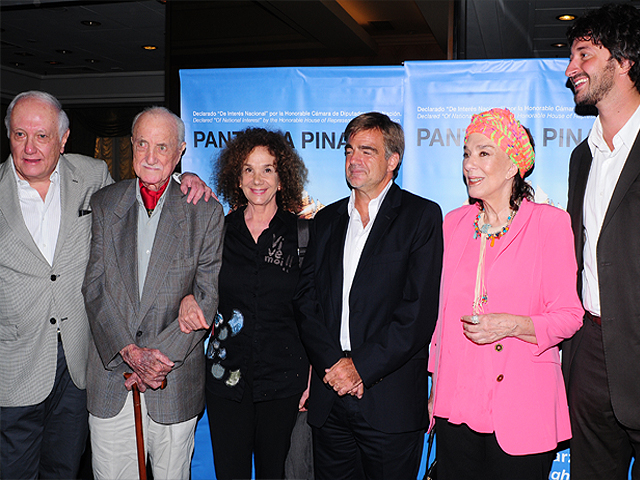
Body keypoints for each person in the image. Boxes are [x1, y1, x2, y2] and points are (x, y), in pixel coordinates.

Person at [0, 91, 211, 479]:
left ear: (63, 139)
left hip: (78, 370)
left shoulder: (92, 177)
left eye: (42, 136)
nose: (30, 147)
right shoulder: (9, 190)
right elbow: (95, 284)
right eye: (20, 135)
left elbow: (149, 187)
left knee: (64, 468)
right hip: (16, 368)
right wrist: (129, 351)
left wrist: (184, 177)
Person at [427, 108, 584, 480]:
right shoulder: (454, 224)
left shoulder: (549, 223)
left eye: (483, 153)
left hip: (522, 408)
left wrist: (513, 325)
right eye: (467, 153)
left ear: (514, 165)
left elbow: (569, 316)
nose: (470, 164)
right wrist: (435, 387)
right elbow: (440, 319)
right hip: (456, 408)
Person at [293, 112, 443, 479]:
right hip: (331, 395)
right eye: (349, 150)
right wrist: (334, 366)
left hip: (389, 400)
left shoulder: (420, 216)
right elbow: (305, 301)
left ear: (393, 161)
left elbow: (417, 314)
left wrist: (359, 367)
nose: (354, 159)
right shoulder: (326, 220)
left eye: (367, 151)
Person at [82, 106, 223, 480]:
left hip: (173, 381)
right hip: (112, 378)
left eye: (162, 147)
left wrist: (156, 360)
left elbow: (207, 296)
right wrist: (130, 351)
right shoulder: (104, 203)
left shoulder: (205, 212)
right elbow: (94, 288)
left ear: (180, 152)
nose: (150, 156)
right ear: (131, 144)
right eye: (142, 144)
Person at [178, 127, 311, 480]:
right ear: (237, 179)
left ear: (282, 179)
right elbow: (189, 280)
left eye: (268, 169)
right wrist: (187, 296)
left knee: (275, 474)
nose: (257, 179)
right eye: (248, 169)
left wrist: (314, 373)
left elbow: (315, 312)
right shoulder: (218, 231)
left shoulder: (303, 235)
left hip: (284, 380)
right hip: (225, 379)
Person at [562, 4, 640, 479]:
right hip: (589, 352)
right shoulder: (581, 158)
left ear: (624, 60)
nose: (571, 69)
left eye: (585, 54)